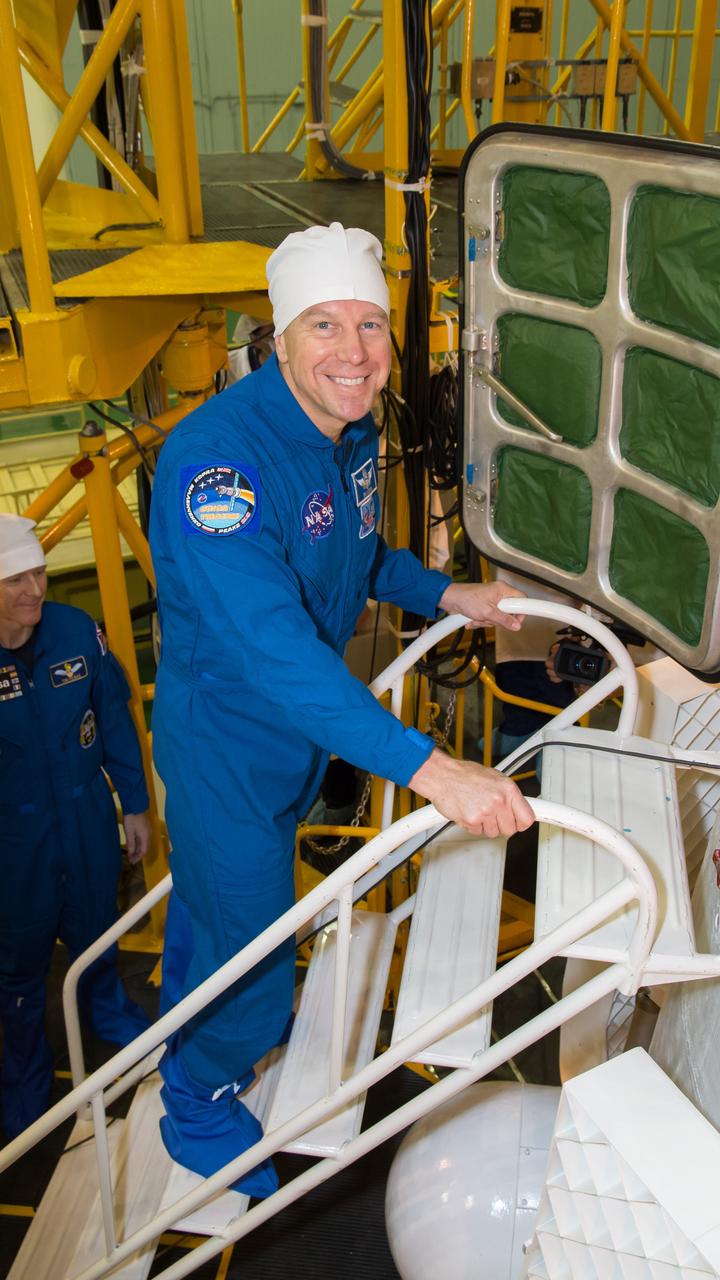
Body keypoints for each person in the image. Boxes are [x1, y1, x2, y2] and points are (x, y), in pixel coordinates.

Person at [149, 222, 535, 1196]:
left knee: (214, 904)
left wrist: (450, 593)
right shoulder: (215, 468)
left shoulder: (349, 429)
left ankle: (179, 1013)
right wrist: (431, 769)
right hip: (228, 751)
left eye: (370, 324)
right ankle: (195, 1095)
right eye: (324, 325)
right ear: (279, 339)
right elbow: (274, 648)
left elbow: (357, 556)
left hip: (297, 740)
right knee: (255, 967)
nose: (354, 352)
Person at [0, 514, 151, 1139]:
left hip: (86, 816)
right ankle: (26, 1074)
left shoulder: (76, 631)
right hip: (14, 841)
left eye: (38, 573)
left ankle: (108, 1013)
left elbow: (112, 717)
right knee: (18, 963)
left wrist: (135, 805)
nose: (34, 589)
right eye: (15, 580)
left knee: (96, 928)